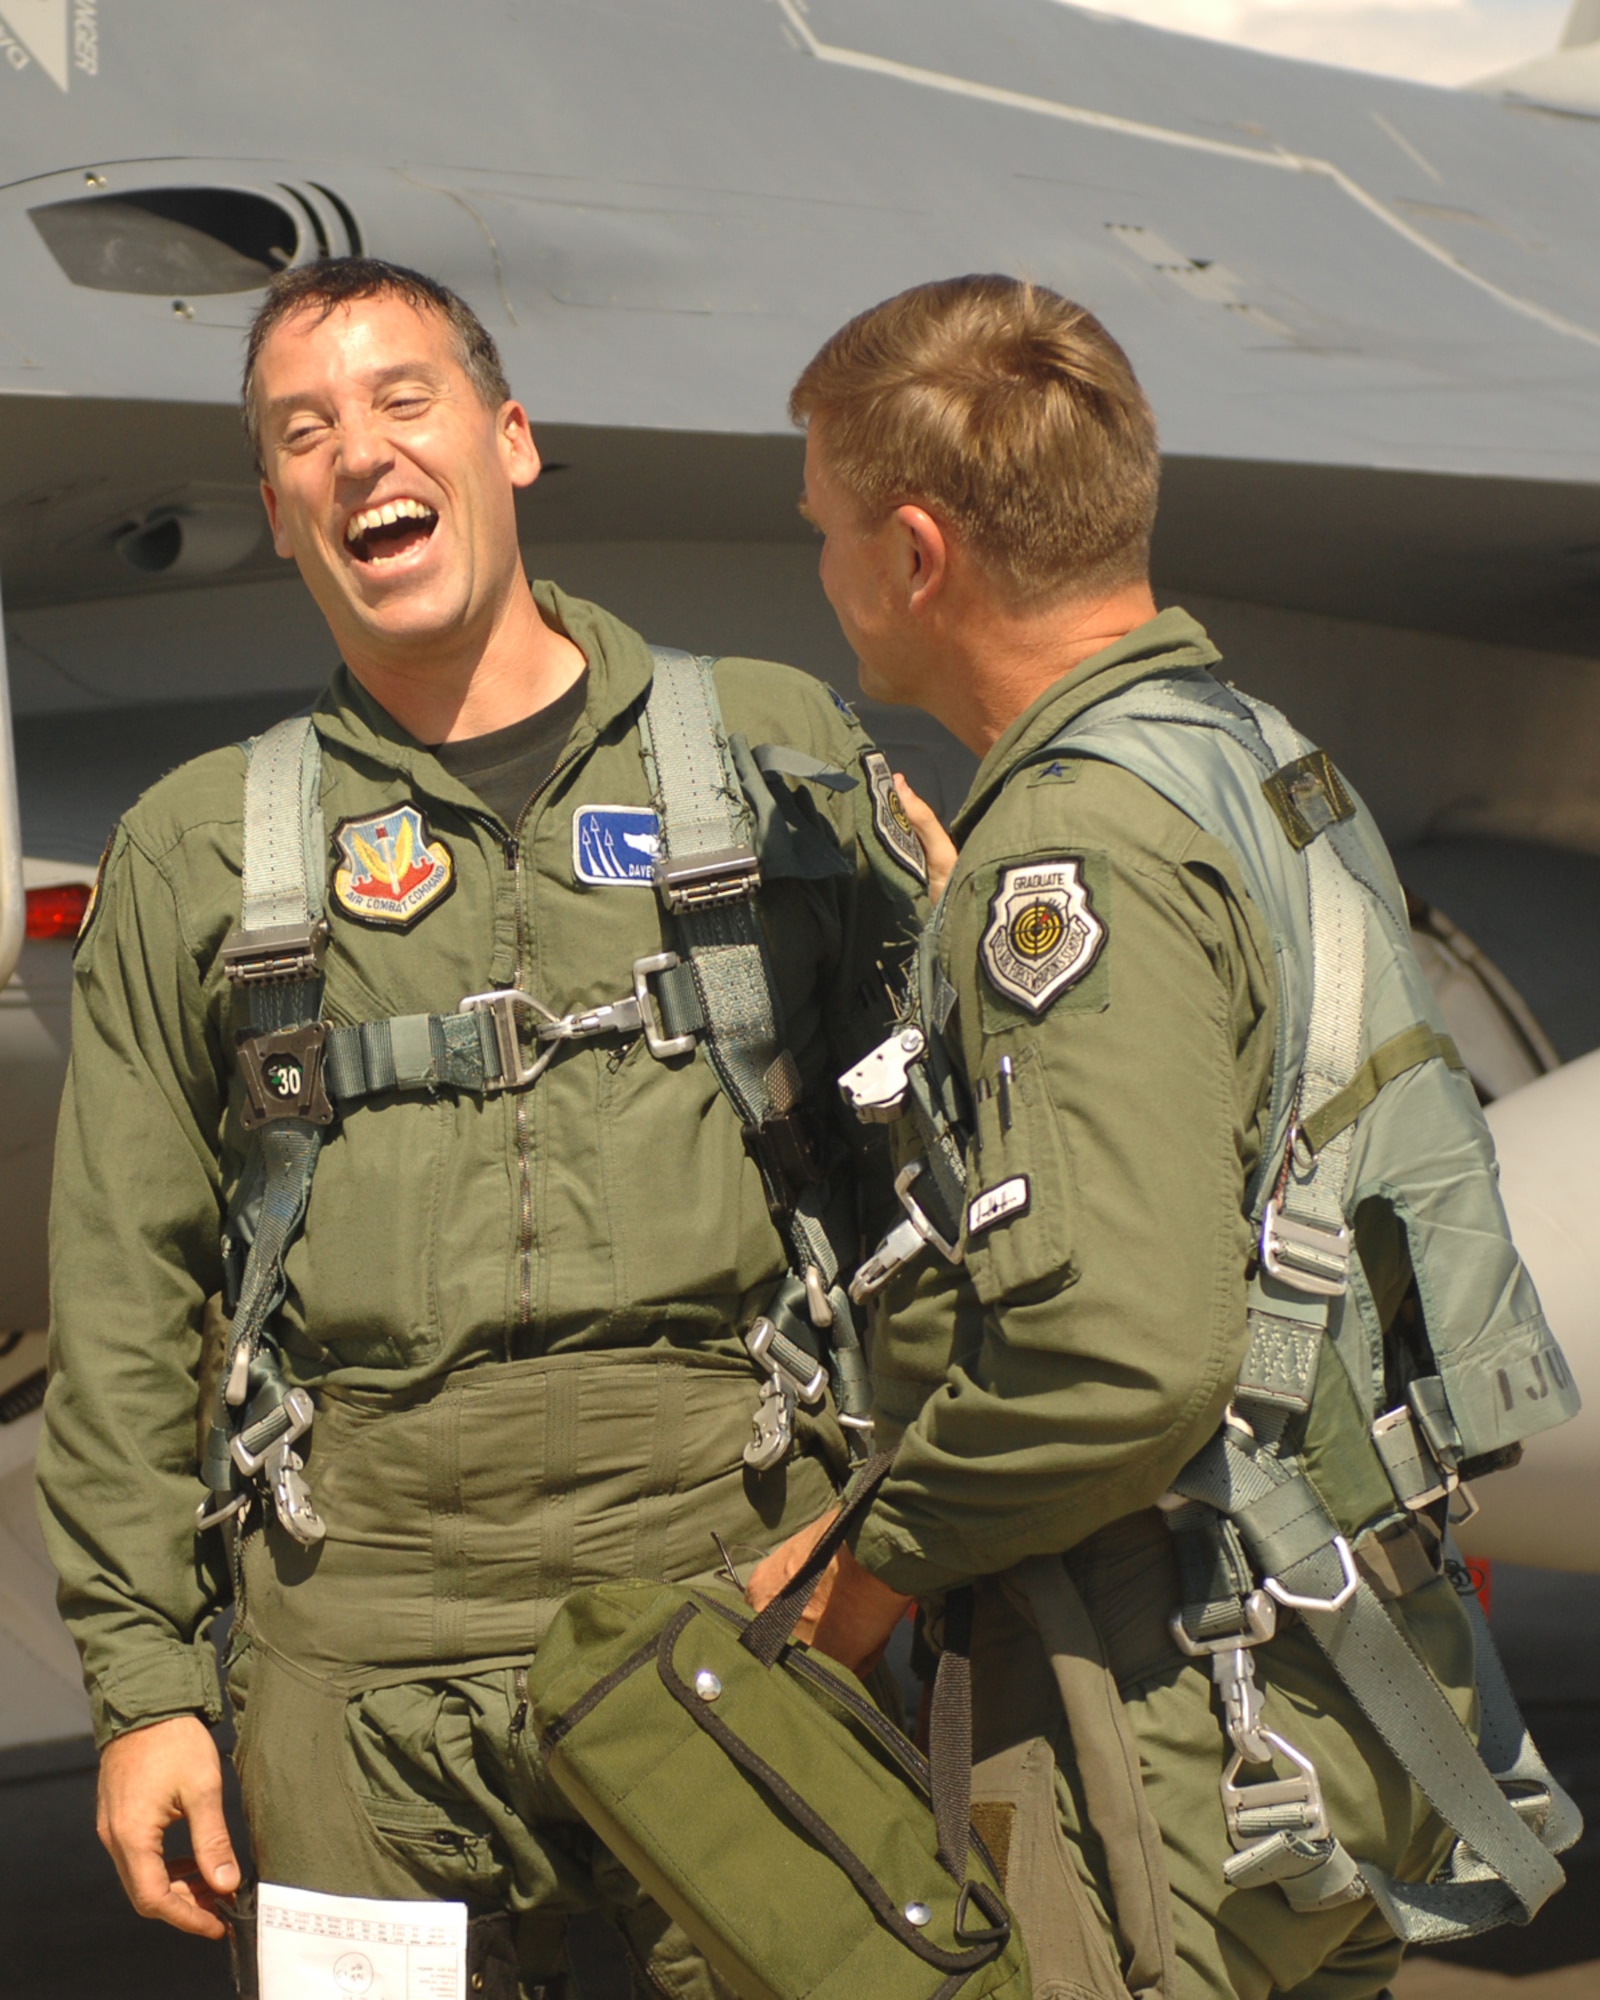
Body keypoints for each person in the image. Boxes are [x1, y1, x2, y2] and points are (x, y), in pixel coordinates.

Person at [36, 257, 928, 1998]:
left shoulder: (767, 754)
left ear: (508, 439)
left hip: (736, 1567)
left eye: (401, 400)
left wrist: (894, 1546)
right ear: (283, 512)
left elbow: (946, 1168)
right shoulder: (200, 847)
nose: (359, 452)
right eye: (306, 432)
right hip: (360, 1637)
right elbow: (126, 1290)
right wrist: (144, 1688)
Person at [749, 275, 1579, 2000]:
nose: (819, 572)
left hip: (1166, 1706)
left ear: (916, 554)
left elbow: (1121, 1355)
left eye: (827, 531)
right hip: (1327, 1645)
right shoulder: (1253, 759)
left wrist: (861, 1576)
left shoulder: (1081, 845)